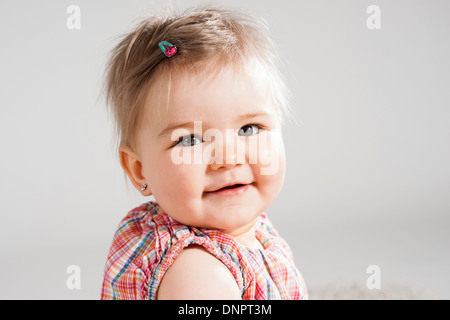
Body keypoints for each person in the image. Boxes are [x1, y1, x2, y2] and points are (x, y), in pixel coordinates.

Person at [100, 5, 308, 300]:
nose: (228, 158)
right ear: (139, 169)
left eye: (249, 129)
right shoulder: (198, 272)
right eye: (190, 140)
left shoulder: (248, 230)